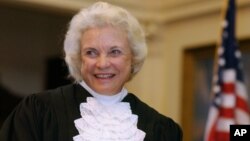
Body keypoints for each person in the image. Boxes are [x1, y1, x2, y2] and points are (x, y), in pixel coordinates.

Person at [0, 1, 182, 141]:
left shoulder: (162, 129)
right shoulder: (38, 112)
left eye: (115, 52)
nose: (102, 64)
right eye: (91, 52)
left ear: (133, 58)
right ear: (78, 59)